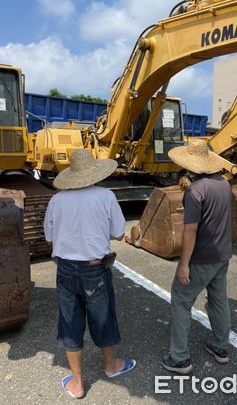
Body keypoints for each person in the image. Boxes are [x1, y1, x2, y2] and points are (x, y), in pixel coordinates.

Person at [44, 149, 136, 399]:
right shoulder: (106, 196)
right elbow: (118, 232)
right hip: (95, 267)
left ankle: (77, 382)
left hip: (65, 268)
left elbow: (49, 237)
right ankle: (111, 366)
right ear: (95, 172)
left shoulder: (56, 200)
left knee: (70, 322)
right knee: (103, 317)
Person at [162, 139, 232, 374]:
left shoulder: (194, 191)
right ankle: (221, 348)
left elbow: (190, 230)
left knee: (181, 301)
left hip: (201, 257)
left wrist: (184, 264)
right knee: (219, 299)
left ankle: (179, 358)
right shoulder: (223, 184)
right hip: (222, 255)